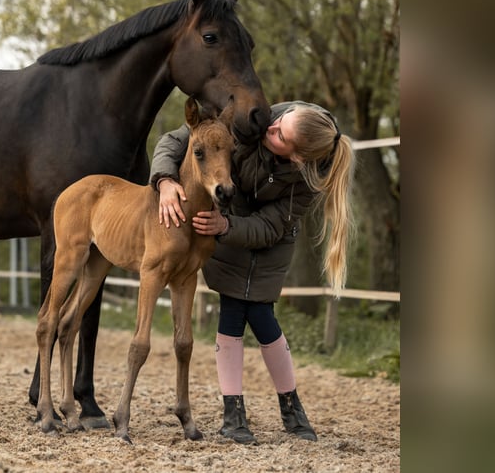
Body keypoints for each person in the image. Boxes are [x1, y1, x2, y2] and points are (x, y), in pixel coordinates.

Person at [149, 101, 355, 445]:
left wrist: (225, 225)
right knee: (231, 308)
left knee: (261, 314)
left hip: (265, 239)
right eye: (280, 122)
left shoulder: (308, 178)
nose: (271, 128)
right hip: (225, 222)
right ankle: (234, 415)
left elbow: (270, 225)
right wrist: (165, 180)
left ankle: (291, 407)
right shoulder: (255, 119)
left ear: (297, 157)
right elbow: (179, 139)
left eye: (280, 136)